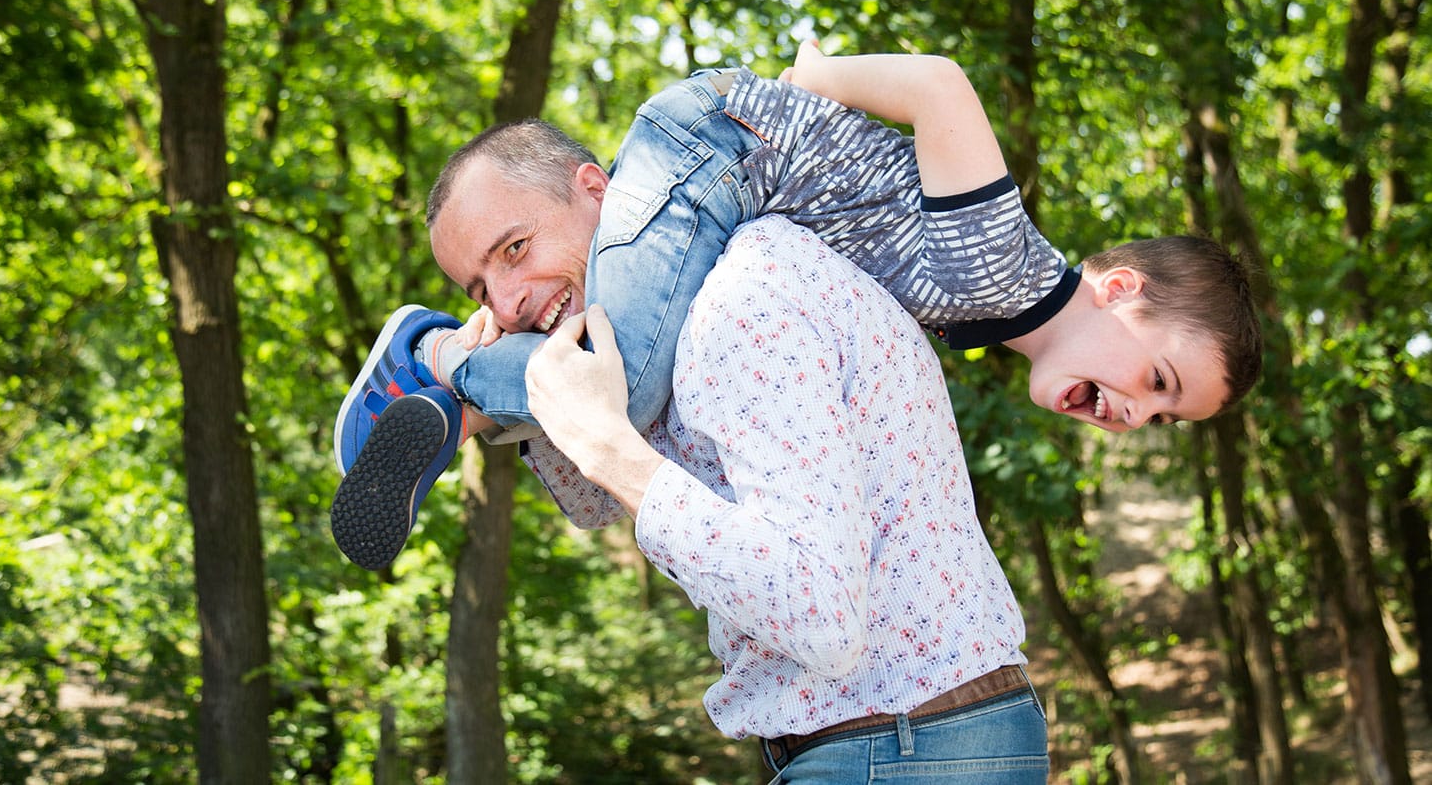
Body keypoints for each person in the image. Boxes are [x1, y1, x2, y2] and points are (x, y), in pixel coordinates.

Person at [328, 45, 1261, 570]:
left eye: (1164, 417)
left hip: (719, 159)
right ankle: (439, 362)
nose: (1136, 415)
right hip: (716, 149)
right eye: (1158, 379)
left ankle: (471, 405)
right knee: (626, 373)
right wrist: (813, 82)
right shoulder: (1003, 272)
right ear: (1122, 288)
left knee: (619, 386)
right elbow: (941, 84)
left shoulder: (991, 312)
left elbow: (610, 477)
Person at [526, 215, 1050, 779]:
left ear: (594, 191)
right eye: (478, 290)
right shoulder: (690, 315)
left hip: (903, 743)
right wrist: (471, 375)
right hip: (908, 737)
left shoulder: (744, 298)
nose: (507, 302)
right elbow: (593, 503)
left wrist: (615, 456)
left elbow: (821, 620)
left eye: (515, 248)